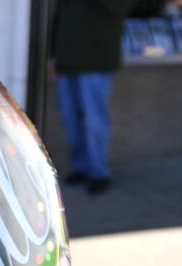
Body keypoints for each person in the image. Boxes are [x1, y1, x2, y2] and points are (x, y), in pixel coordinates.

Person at [52, 0, 133, 194]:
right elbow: (60, 17)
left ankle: (99, 172)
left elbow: (119, 8)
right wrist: (54, 54)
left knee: (94, 118)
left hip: (97, 59)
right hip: (67, 59)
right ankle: (81, 167)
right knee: (70, 118)